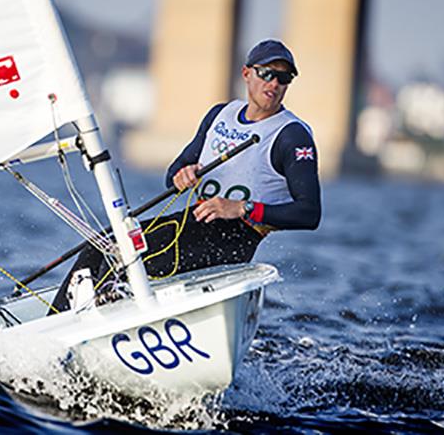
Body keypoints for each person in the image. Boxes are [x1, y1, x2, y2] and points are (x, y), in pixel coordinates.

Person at [50, 39, 321, 312]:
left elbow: (309, 213)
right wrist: (182, 174)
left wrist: (241, 208)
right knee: (103, 245)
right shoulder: (220, 114)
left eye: (284, 78)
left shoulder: (292, 136)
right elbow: (174, 172)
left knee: (131, 263)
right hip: (193, 221)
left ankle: (99, 317)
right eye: (267, 74)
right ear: (247, 73)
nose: (274, 84)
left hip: (235, 239)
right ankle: (54, 324)